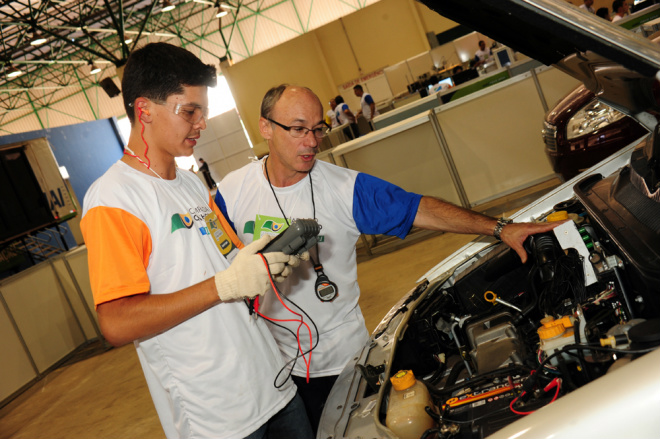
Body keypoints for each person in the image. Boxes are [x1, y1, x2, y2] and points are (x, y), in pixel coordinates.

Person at [215, 84, 564, 432]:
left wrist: (499, 227)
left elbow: (418, 209)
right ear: (265, 128)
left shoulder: (345, 188)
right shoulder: (232, 192)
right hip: (272, 367)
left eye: (318, 129)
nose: (311, 142)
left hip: (342, 366)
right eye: (298, 129)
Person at [81, 44, 313, 439]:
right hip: (216, 415)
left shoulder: (189, 182)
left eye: (202, 111)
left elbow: (227, 258)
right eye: (189, 111)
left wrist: (260, 258)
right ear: (144, 111)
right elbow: (117, 322)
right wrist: (223, 286)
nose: (201, 122)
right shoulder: (113, 199)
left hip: (270, 383)